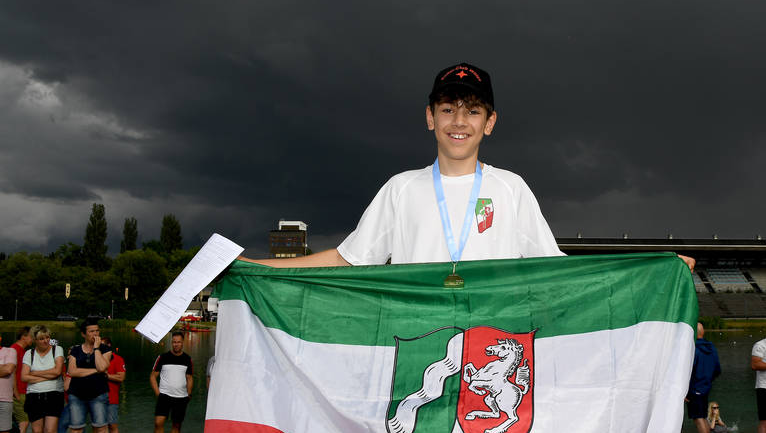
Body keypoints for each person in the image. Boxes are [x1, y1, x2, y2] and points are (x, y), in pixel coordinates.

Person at [238, 62, 696, 271]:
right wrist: (257, 268)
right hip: (415, 339)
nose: (460, 121)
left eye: (473, 110)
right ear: (429, 117)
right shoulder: (401, 188)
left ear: (490, 122)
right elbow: (345, 259)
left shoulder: (511, 188)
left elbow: (556, 270)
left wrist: (655, 268)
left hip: (492, 347)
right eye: (448, 109)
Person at [65, 317, 113, 433]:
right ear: (83, 334)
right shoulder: (75, 350)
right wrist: (94, 371)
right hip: (77, 395)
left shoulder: (105, 349)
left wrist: (97, 349)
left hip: (98, 394)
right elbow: (72, 371)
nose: (95, 334)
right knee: (75, 429)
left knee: (101, 428)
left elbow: (102, 366)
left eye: (97, 331)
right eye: (92, 331)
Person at [21, 325, 65, 433]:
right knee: (36, 431)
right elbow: (24, 376)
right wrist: (48, 374)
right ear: (35, 340)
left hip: (53, 394)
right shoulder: (29, 354)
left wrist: (36, 374)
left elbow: (57, 372)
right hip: (34, 395)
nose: (46, 341)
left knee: (50, 431)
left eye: (47, 337)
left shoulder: (56, 350)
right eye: (41, 339)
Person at [151, 331, 193, 433]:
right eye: (174, 342)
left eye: (178, 342)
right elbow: (153, 377)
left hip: (181, 397)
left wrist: (188, 395)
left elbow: (190, 378)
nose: (176, 344)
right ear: (171, 343)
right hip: (164, 395)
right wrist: (158, 393)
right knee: (158, 422)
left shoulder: (187, 359)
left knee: (176, 424)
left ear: (182, 343)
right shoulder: (163, 357)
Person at [687, 322, 722, 433]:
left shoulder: (692, 349)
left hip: (695, 388)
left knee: (698, 418)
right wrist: (707, 380)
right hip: (705, 387)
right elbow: (717, 369)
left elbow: (688, 370)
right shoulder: (711, 347)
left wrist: (686, 389)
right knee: (702, 417)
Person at [101, 337, 126, 433]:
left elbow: (121, 377)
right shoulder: (96, 359)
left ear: (109, 345)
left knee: (113, 425)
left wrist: (106, 376)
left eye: (102, 345)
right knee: (98, 426)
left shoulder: (118, 359)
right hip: (97, 397)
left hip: (112, 397)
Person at [10, 326, 34, 433]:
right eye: (31, 336)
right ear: (24, 336)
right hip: (19, 391)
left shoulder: (23, 351)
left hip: (24, 390)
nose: (33, 339)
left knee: (22, 422)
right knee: (23, 422)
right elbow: (12, 372)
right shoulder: (14, 350)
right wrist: (16, 392)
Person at [0, 337, 17, 433]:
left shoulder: (9, 351)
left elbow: (8, 370)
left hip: (4, 398)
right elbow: (3, 369)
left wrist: (5, 368)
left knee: (4, 432)